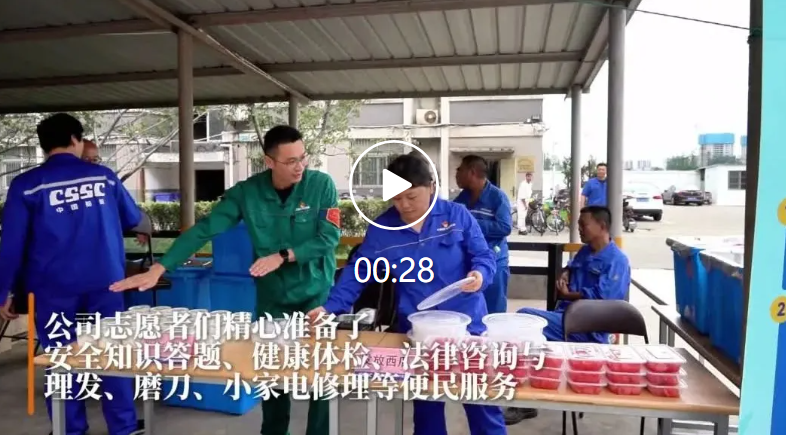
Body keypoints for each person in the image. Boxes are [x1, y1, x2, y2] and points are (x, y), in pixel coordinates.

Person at [109, 125, 340, 435]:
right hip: (273, 297)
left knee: (320, 375)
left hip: (316, 293)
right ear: (269, 161)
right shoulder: (248, 193)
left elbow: (328, 238)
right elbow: (206, 229)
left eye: (303, 158)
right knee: (272, 375)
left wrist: (282, 256)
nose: (300, 166)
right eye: (290, 161)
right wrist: (161, 267)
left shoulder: (320, 185)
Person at [307, 154, 507, 435]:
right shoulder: (383, 229)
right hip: (418, 332)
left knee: (481, 401)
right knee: (426, 408)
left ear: (432, 187)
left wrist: (481, 274)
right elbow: (358, 271)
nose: (404, 205)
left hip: (467, 327)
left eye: (411, 196)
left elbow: (483, 255)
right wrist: (330, 308)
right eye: (397, 199)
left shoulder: (456, 215)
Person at [0, 113, 144, 435]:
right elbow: (132, 218)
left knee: (62, 360)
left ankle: (69, 429)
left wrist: (4, 291)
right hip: (107, 284)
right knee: (111, 355)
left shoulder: (26, 185)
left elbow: (11, 244)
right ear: (75, 140)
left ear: (44, 146)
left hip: (52, 289)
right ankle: (123, 427)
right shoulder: (104, 178)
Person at [504, 206, 631, 425]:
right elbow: (572, 266)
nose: (579, 228)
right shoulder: (585, 251)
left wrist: (568, 295)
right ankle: (529, 395)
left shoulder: (617, 261)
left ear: (602, 226)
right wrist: (565, 274)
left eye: (583, 224)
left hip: (588, 328)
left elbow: (603, 300)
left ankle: (526, 401)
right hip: (565, 318)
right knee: (531, 339)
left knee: (525, 319)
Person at [454, 155, 512, 314]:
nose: (456, 174)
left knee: (494, 313)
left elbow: (505, 227)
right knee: (470, 311)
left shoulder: (498, 197)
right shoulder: (461, 199)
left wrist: (471, 223)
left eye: (460, 169)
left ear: (472, 172)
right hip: (470, 263)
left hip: (495, 262)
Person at [82, 139, 152, 245]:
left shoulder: (107, 179)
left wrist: (141, 228)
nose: (92, 164)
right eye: (86, 159)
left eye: (95, 159)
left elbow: (127, 208)